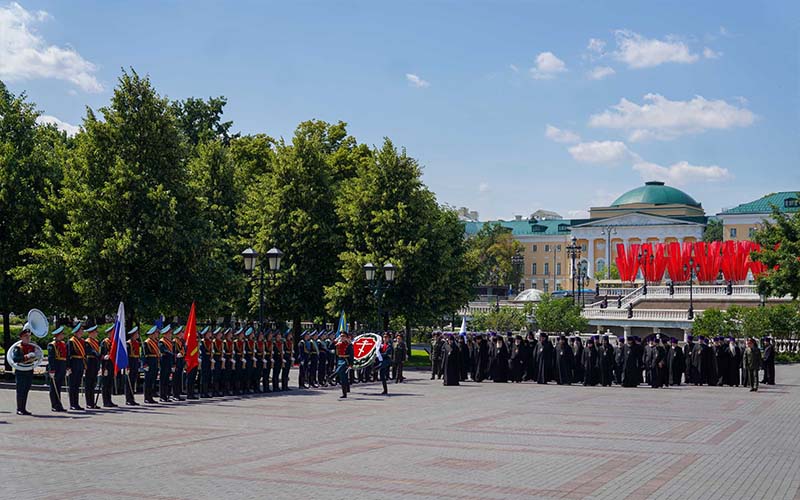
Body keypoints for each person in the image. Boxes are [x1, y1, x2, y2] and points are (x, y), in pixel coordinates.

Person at [12, 326, 37, 415]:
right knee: (20, 390)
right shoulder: (18, 347)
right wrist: (27, 356)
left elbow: (37, 357)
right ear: (21, 337)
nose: (28, 338)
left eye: (29, 336)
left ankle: (23, 408)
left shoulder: (32, 346)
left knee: (26, 389)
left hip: (29, 369)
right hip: (21, 370)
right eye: (26, 336)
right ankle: (19, 408)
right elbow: (15, 358)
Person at [46, 326, 68, 412]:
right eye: (62, 334)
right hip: (56, 367)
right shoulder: (52, 345)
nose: (63, 335)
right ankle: (54, 405)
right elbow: (51, 358)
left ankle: (59, 404)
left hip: (62, 366)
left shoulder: (62, 343)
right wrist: (51, 370)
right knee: (53, 387)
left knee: (58, 387)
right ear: (58, 335)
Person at [99, 325, 117, 407]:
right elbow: (101, 354)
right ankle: (105, 401)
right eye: (112, 332)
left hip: (111, 364)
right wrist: (104, 356)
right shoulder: (104, 342)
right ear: (109, 333)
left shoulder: (113, 342)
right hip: (106, 365)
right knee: (105, 383)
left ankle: (109, 400)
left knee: (110, 383)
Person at [84, 325, 101, 409]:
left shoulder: (96, 341)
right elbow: (91, 352)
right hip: (90, 363)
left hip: (95, 363)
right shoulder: (87, 342)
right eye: (95, 332)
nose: (97, 333)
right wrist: (98, 355)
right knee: (89, 384)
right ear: (91, 333)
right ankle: (89, 403)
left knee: (93, 384)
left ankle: (92, 402)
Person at [142, 326, 160, 404]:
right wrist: (145, 364)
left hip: (155, 362)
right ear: (152, 334)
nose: (157, 334)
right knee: (148, 381)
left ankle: (151, 396)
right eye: (156, 333)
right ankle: (147, 397)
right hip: (149, 362)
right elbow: (143, 354)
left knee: (152, 380)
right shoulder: (147, 342)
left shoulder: (156, 342)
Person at [125, 326, 142, 405]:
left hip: (135, 363)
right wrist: (127, 366)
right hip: (130, 363)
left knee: (133, 381)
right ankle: (128, 399)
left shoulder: (137, 343)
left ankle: (132, 398)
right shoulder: (128, 343)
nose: (138, 335)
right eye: (136, 334)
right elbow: (127, 356)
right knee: (129, 382)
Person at [158, 325, 175, 402]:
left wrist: (173, 363)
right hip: (164, 362)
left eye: (171, 333)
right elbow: (163, 350)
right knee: (163, 380)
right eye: (169, 333)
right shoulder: (162, 342)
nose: (170, 335)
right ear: (165, 334)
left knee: (167, 380)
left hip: (169, 363)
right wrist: (172, 354)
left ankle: (167, 395)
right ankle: (162, 396)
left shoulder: (170, 342)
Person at [335, 332, 354, 398]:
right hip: (340, 360)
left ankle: (332, 376)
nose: (342, 337)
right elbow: (331, 347)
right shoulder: (338, 344)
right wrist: (335, 341)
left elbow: (352, 355)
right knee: (343, 378)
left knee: (340, 370)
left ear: (346, 337)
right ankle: (344, 394)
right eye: (341, 336)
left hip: (346, 361)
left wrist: (351, 364)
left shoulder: (349, 345)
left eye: (343, 336)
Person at [199, 326, 213, 398]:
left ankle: (206, 392)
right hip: (204, 360)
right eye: (209, 332)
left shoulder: (209, 342)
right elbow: (202, 352)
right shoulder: (202, 342)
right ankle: (202, 392)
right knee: (203, 376)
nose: (210, 334)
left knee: (207, 376)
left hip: (208, 360)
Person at [172, 326, 185, 400]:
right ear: (178, 334)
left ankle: (178, 394)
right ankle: (175, 395)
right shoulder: (174, 342)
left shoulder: (182, 342)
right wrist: (173, 363)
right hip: (176, 362)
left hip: (180, 362)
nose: (183, 334)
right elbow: (173, 353)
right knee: (175, 379)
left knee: (179, 378)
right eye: (182, 332)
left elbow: (184, 350)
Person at [212, 327, 224, 396]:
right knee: (215, 376)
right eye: (219, 333)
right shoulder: (214, 342)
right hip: (215, 360)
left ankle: (218, 390)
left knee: (219, 375)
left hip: (220, 360)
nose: (221, 334)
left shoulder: (221, 342)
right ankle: (214, 391)